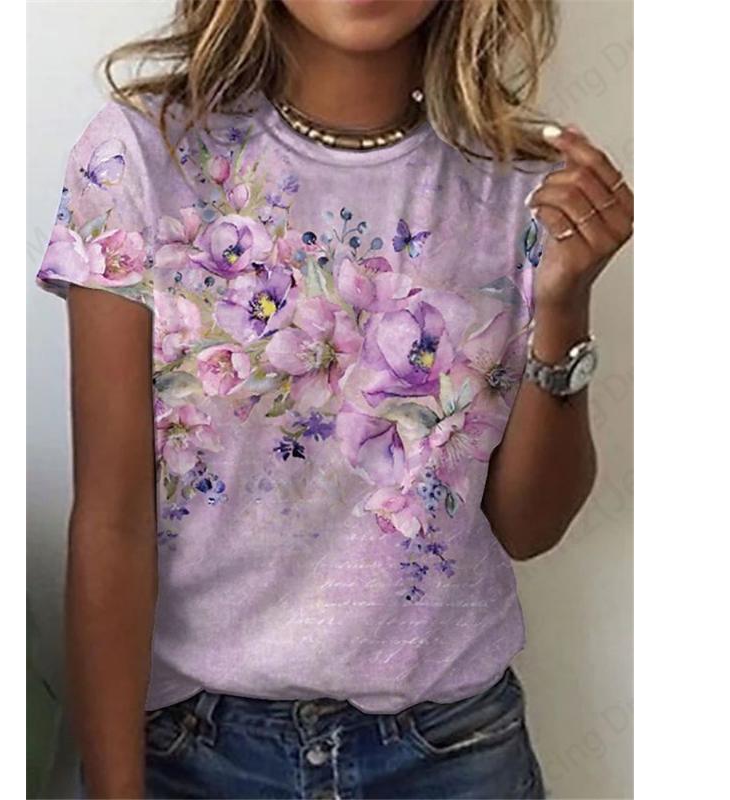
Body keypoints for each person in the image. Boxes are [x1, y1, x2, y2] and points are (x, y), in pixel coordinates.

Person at [34, 0, 633, 797]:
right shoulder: (144, 157)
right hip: (190, 753)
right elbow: (112, 520)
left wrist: (564, 302)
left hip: (450, 754)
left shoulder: (524, 187)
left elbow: (528, 527)